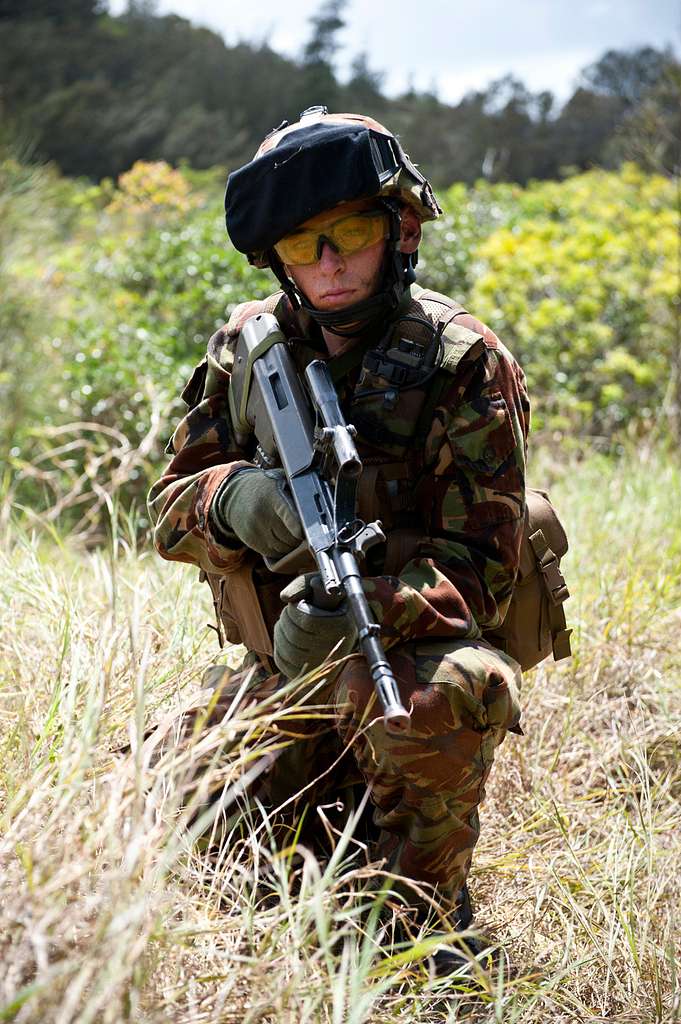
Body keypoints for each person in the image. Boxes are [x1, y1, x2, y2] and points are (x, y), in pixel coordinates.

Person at [147, 107, 528, 972]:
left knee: (438, 700)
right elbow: (163, 509)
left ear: (399, 228)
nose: (327, 263)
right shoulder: (250, 349)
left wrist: (365, 607)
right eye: (299, 243)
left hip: (403, 655)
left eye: (349, 231)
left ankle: (426, 925)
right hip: (275, 658)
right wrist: (232, 500)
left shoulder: (461, 361)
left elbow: (484, 571)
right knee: (180, 798)